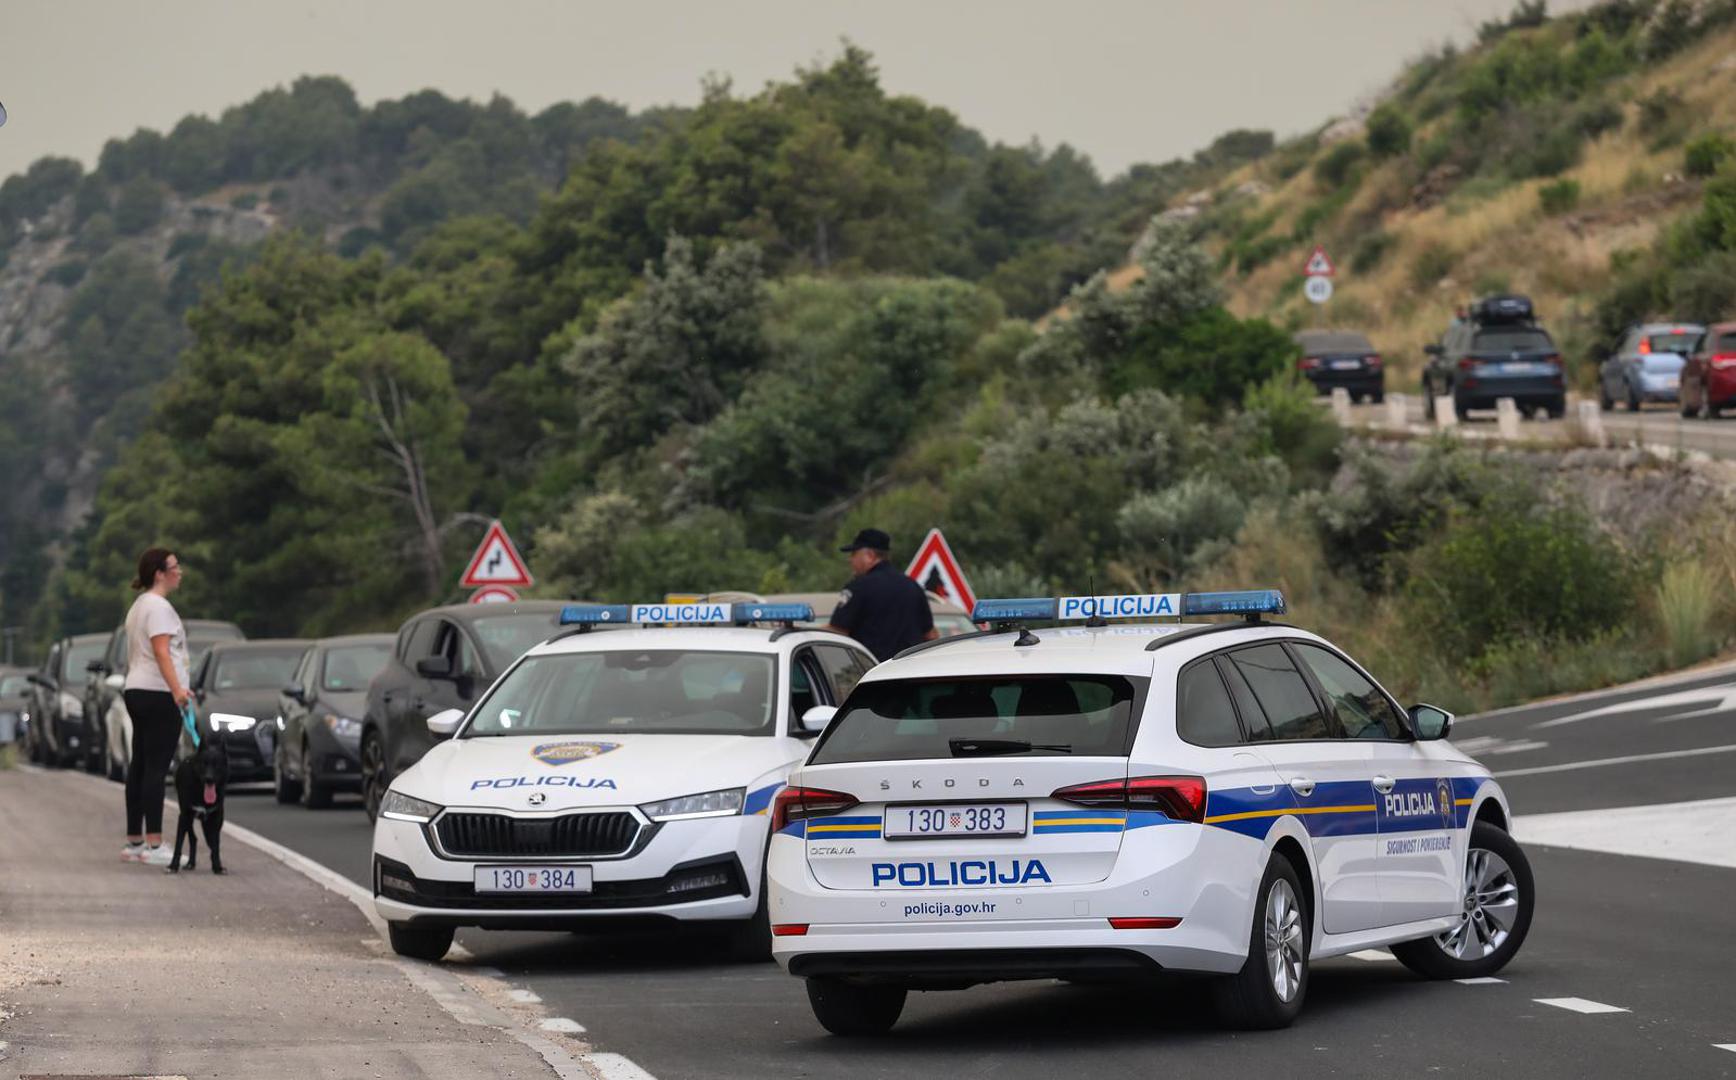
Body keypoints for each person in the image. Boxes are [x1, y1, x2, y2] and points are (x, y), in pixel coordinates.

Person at [121, 548, 190, 867]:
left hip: (137, 687)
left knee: (141, 764)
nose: (180, 572)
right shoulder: (159, 608)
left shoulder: (139, 606)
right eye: (175, 567)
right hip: (158, 692)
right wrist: (178, 690)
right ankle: (154, 843)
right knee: (155, 768)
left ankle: (135, 840)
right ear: (159, 573)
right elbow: (162, 652)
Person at [824, 529, 937, 662]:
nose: (850, 560)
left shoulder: (859, 587)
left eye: (854, 553)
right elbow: (931, 636)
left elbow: (837, 631)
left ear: (870, 555)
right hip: (911, 674)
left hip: (873, 674)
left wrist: (800, 630)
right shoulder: (913, 586)